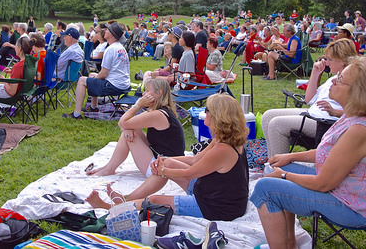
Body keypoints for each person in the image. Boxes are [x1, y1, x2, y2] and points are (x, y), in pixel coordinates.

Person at [251, 57, 366, 249]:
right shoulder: (356, 114)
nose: (333, 80)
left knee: (265, 188)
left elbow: (323, 183)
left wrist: (285, 175)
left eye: (340, 79)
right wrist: (290, 157)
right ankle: (289, 244)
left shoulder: (360, 130)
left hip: (357, 207)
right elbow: (329, 153)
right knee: (278, 167)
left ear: (357, 92)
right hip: (350, 189)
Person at [86, 94, 249, 222]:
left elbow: (190, 173)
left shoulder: (223, 149)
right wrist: (165, 162)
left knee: (155, 200)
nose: (203, 112)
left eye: (206, 110)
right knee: (169, 161)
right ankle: (127, 199)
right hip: (213, 192)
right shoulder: (224, 139)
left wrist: (163, 170)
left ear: (216, 116)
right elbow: (193, 160)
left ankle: (112, 206)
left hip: (217, 208)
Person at [261, 39, 356, 156]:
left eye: (330, 59)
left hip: (326, 122)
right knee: (267, 116)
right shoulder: (334, 78)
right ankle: (271, 162)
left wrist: (335, 112)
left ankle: (278, 167)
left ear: (343, 60)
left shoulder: (352, 82)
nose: (326, 62)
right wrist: (315, 73)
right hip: (313, 113)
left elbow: (360, 113)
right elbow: (309, 100)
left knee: (276, 124)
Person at [86, 79, 185, 177]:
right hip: (166, 160)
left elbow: (122, 122)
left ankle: (109, 169)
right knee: (131, 129)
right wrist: (127, 128)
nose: (143, 94)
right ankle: (108, 167)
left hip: (163, 168)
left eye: (146, 91)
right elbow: (126, 123)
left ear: (159, 93)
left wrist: (137, 105)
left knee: (128, 134)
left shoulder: (158, 114)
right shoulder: (162, 111)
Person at [64, 23, 130, 120]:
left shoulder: (110, 49)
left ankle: (76, 114)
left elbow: (104, 74)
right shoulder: (120, 47)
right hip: (123, 83)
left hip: (114, 86)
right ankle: (93, 108)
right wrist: (95, 77)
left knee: (82, 80)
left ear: (111, 34)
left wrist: (96, 78)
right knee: (92, 75)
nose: (105, 31)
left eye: (107, 30)